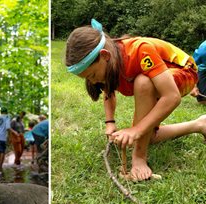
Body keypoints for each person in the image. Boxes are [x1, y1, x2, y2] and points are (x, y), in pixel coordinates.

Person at [65, 19, 206, 181]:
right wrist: (110, 122)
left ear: (104, 56)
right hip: (161, 78)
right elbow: (108, 89)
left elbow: (172, 97)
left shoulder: (140, 51)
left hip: (184, 71)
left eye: (92, 75)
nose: (94, 81)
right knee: (148, 136)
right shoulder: (110, 61)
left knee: (143, 83)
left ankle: (139, 158)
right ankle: (200, 124)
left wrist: (137, 130)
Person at [0, 107, 15, 179]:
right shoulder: (7, 117)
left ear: (1, 112)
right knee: (3, 151)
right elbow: (8, 127)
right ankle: (0, 166)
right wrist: (10, 137)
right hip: (2, 136)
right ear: (6, 112)